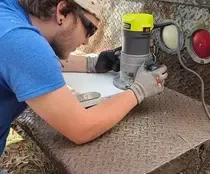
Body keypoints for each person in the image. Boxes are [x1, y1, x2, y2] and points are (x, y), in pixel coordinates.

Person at [0, 0, 168, 156]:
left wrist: (93, 64)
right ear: (63, 12)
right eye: (90, 29)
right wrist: (138, 90)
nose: (87, 42)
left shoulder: (10, 15)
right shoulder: (21, 42)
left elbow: (35, 63)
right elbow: (81, 128)